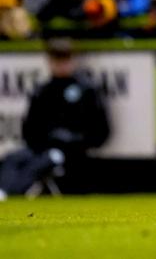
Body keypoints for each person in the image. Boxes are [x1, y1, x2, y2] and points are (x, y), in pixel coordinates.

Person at [0, 38, 110, 199]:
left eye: (64, 59)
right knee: (12, 158)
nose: (61, 65)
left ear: (72, 60)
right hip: (41, 147)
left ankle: (12, 193)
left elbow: (101, 130)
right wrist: (40, 140)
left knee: (45, 161)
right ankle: (2, 190)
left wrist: (71, 140)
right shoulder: (43, 90)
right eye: (57, 60)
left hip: (72, 152)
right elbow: (30, 127)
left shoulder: (87, 90)